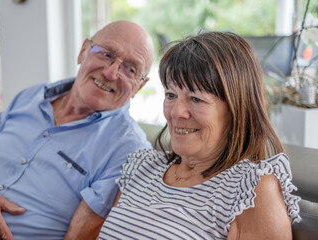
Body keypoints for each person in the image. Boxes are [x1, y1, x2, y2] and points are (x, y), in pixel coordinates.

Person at [98, 32, 301, 239]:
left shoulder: (250, 188)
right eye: (171, 95)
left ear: (236, 109)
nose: (176, 112)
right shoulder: (142, 166)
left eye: (196, 99)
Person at [0, 20, 154, 240]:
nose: (111, 73)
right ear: (83, 51)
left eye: (130, 69)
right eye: (106, 54)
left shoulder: (129, 151)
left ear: (139, 87)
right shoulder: (30, 96)